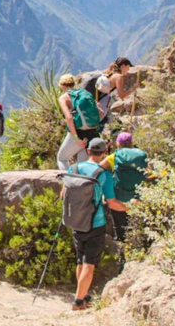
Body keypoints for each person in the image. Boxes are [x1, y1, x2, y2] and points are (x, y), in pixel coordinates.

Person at [65, 138, 127, 311]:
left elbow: (64, 193)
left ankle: (83, 295)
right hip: (95, 222)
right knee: (89, 263)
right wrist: (130, 208)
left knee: (80, 260)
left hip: (76, 221)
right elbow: (112, 203)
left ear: (89, 151)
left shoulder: (74, 168)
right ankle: (78, 301)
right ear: (105, 153)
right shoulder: (103, 174)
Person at [100, 132, 148, 273]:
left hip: (118, 199)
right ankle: (139, 256)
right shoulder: (141, 156)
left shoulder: (115, 156)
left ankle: (122, 262)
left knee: (120, 230)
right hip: (137, 199)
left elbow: (99, 169)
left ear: (118, 144)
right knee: (138, 228)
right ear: (132, 143)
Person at [56, 74, 100, 171]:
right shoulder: (84, 93)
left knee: (62, 159)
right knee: (82, 165)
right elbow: (100, 112)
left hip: (78, 133)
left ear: (62, 85)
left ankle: (68, 181)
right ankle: (80, 184)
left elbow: (69, 117)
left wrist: (76, 138)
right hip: (91, 133)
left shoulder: (64, 98)